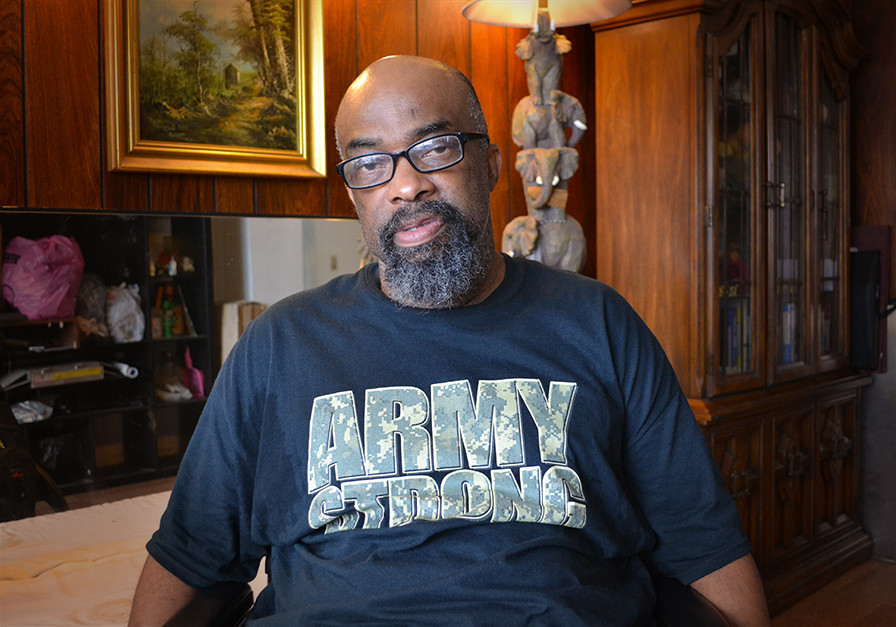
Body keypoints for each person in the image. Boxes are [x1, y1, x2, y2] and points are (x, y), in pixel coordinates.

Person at [129, 55, 770, 626]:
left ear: (490, 165)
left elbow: (703, 546)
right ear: (354, 195)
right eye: (369, 163)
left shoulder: (598, 323)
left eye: (434, 148)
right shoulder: (281, 344)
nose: (405, 184)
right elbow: (190, 555)